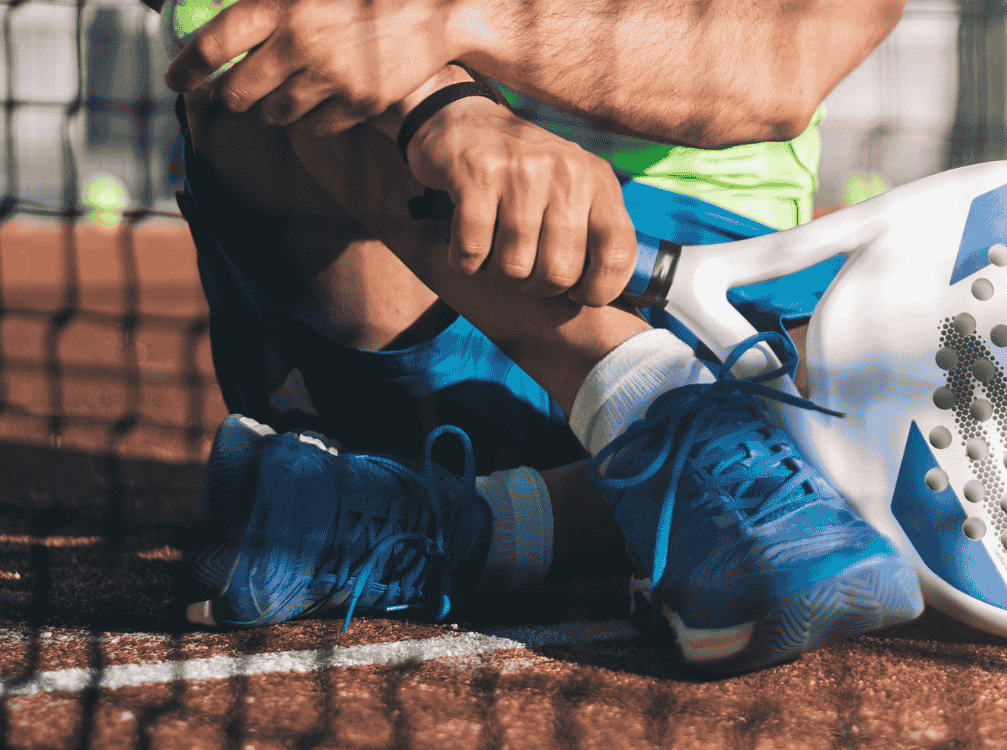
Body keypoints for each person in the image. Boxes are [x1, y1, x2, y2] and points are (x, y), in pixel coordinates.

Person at [147, 0, 920, 674]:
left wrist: (453, 19)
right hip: (420, 251)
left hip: (723, 309)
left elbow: (790, 52)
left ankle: (475, 525)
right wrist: (442, 110)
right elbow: (222, 27)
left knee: (920, 364)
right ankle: (654, 403)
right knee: (272, 58)